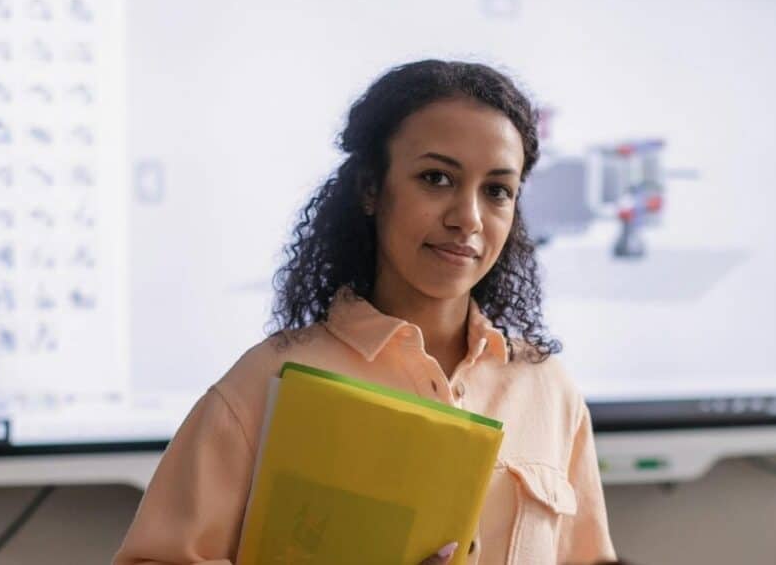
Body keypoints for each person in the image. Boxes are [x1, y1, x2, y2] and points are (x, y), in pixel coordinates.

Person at [113, 60, 617, 565]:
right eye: (436, 178)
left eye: (496, 191)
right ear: (371, 190)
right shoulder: (268, 381)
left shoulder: (550, 391)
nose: (467, 218)